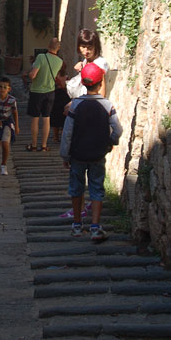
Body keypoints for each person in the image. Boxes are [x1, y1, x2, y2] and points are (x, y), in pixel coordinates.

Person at [60, 61, 122, 242]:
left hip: (77, 155)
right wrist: (110, 142)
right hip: (97, 155)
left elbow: (67, 133)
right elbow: (117, 130)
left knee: (76, 188)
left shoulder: (75, 105)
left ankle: (77, 225)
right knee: (96, 188)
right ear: (101, 83)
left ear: (83, 83)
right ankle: (95, 227)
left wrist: (65, 154)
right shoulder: (107, 105)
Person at [26, 37, 63, 152]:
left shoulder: (41, 57)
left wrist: (28, 74)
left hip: (37, 92)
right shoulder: (60, 61)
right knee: (46, 118)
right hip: (50, 92)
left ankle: (34, 145)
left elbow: (33, 75)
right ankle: (44, 145)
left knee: (35, 118)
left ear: (48, 46)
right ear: (58, 48)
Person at [70, 29, 109, 98]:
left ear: (95, 47)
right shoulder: (86, 60)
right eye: (83, 47)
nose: (86, 51)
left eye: (90, 48)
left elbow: (101, 89)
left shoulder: (99, 64)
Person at [51, 61, 69, 144]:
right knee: (58, 116)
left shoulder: (56, 74)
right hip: (59, 95)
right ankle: (56, 136)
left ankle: (57, 136)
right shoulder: (64, 76)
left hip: (61, 96)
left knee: (59, 116)